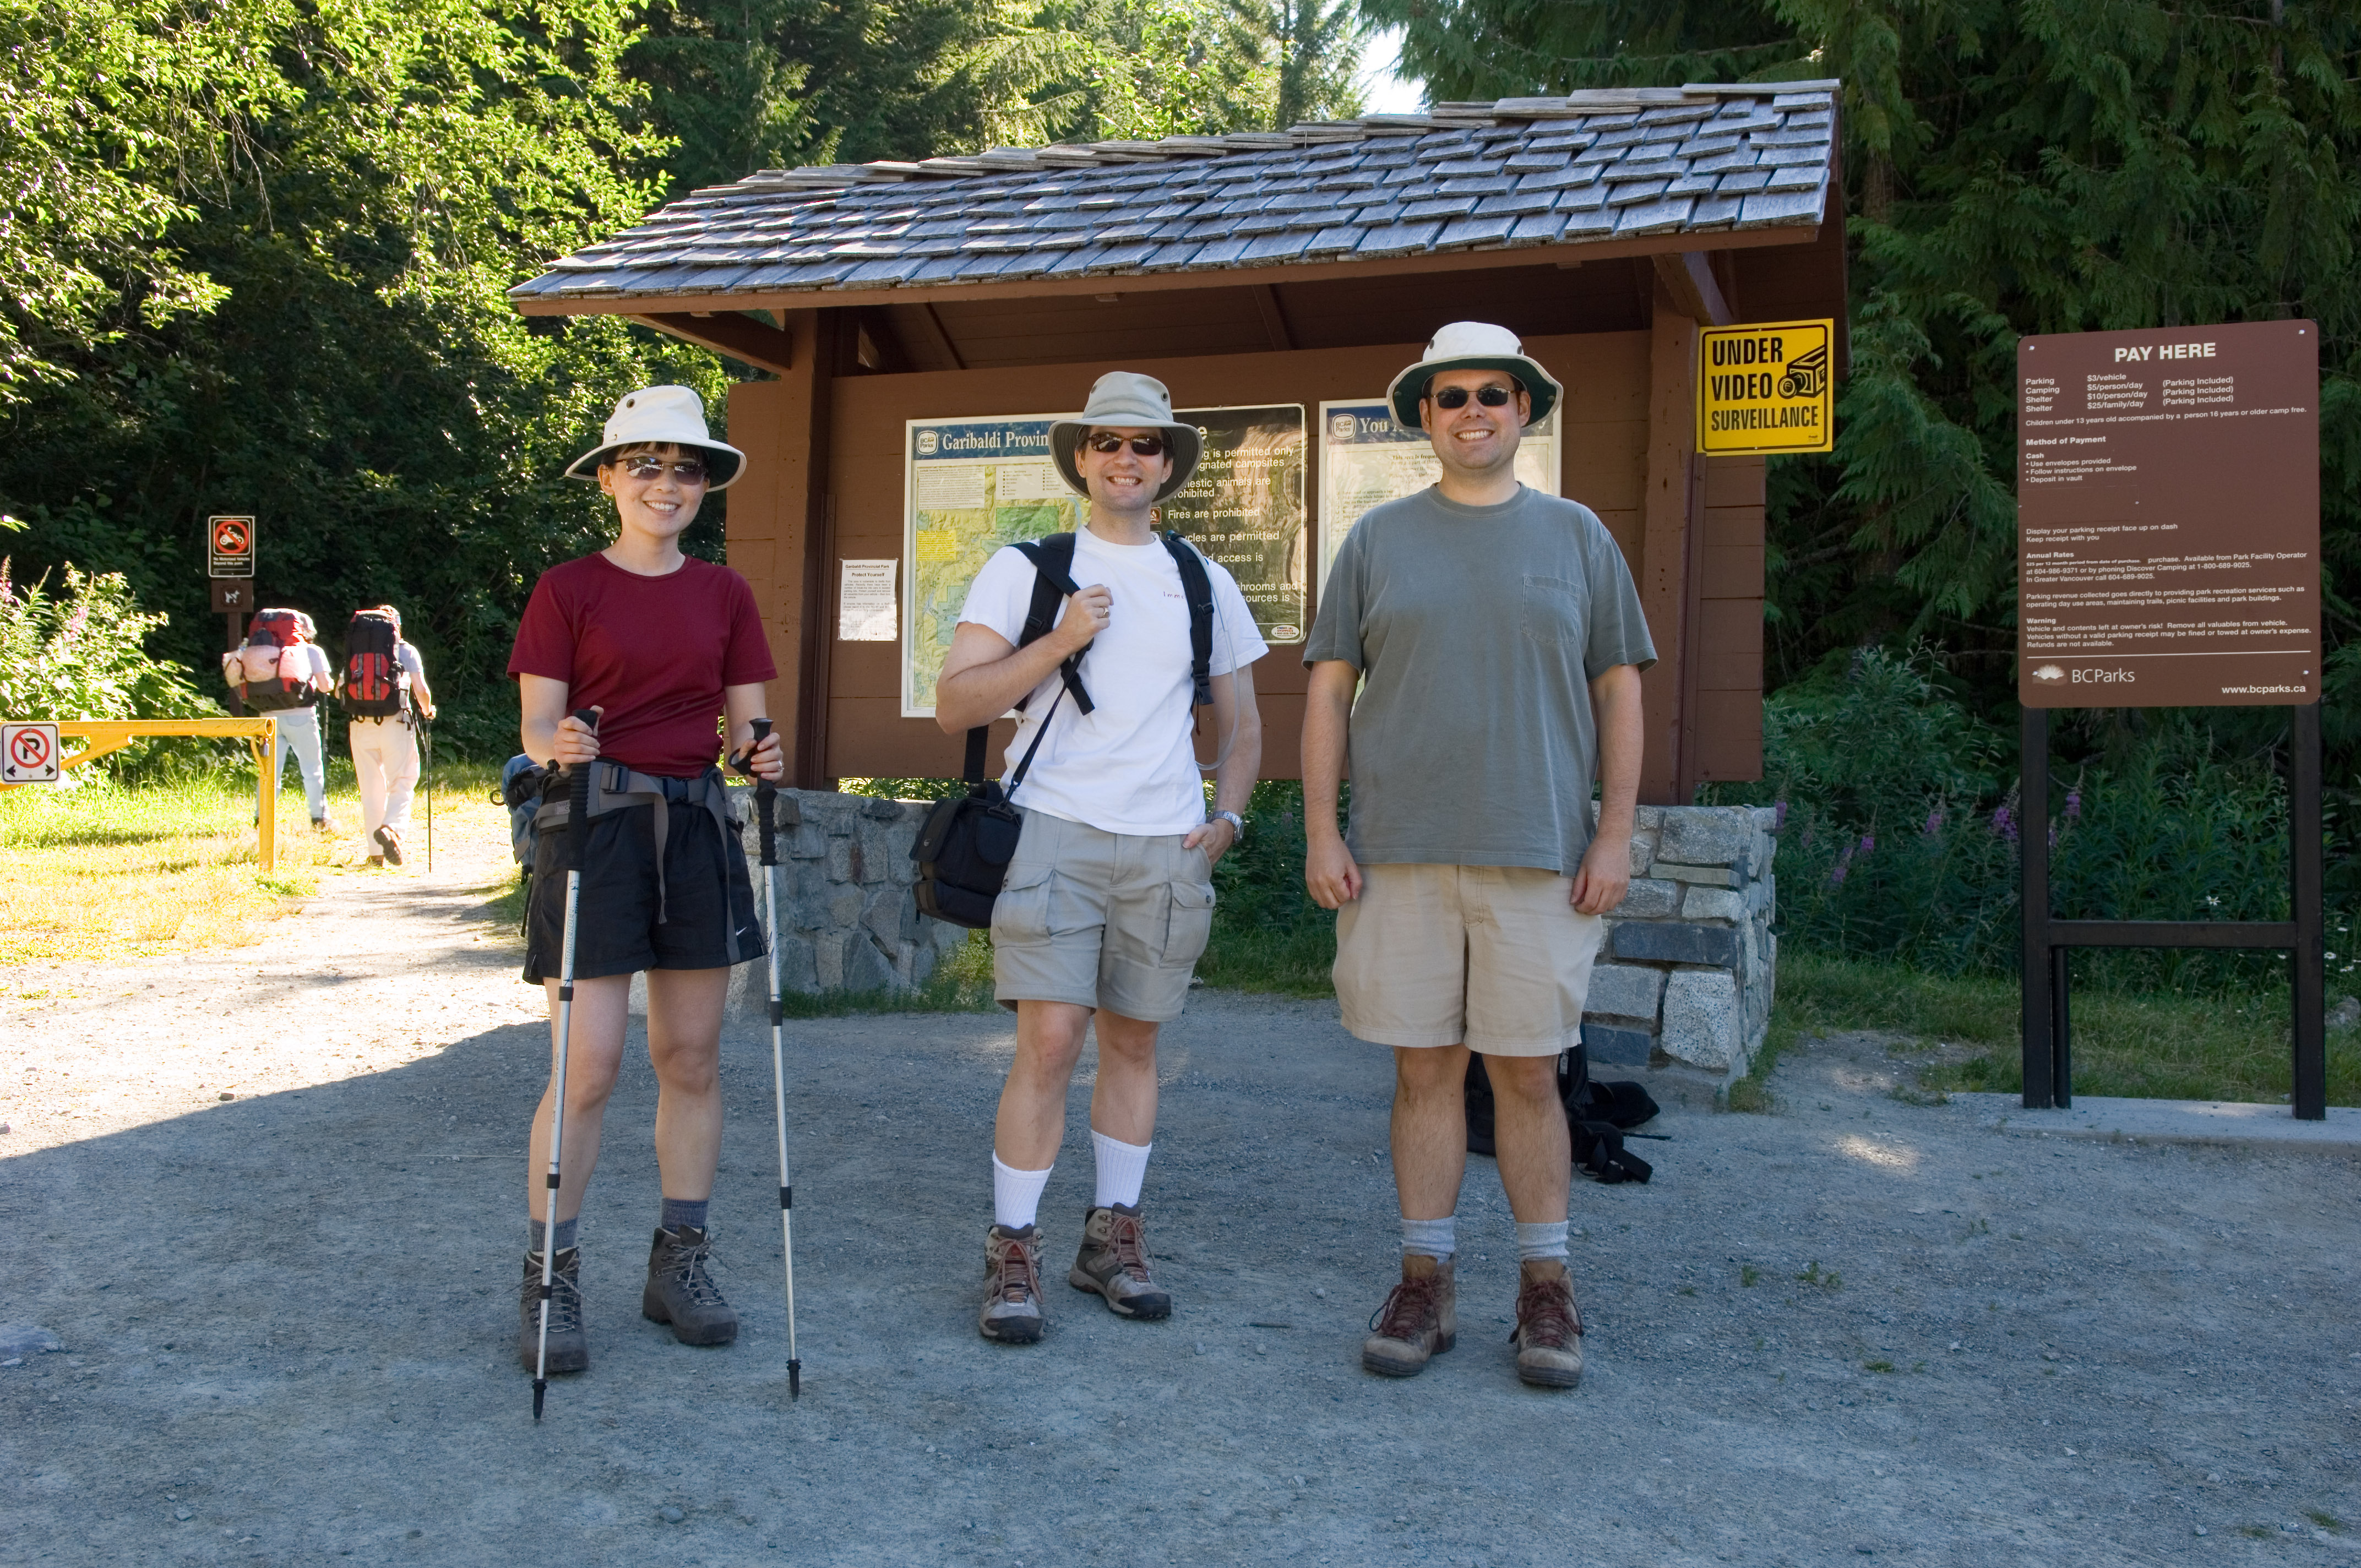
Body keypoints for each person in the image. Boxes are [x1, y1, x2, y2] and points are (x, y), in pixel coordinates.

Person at [1301, 322, 1655, 1390]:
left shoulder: (1578, 537)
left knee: (1528, 1075)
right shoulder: (1375, 540)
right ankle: (1426, 1281)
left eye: (1490, 394)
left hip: (1538, 851)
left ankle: (1546, 1289)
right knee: (1422, 1071)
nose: (1471, 412)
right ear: (1424, 413)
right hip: (1398, 852)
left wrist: (1613, 832)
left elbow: (1619, 690)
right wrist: (1320, 827)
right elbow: (1327, 689)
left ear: (1521, 408)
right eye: (1449, 396)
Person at [934, 372, 1266, 1345]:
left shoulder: (1202, 579)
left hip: (1166, 843)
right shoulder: (1027, 569)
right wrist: (1060, 640)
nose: (1127, 458)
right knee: (1048, 1041)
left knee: (1135, 1043)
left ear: (1168, 464)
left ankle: (1111, 1239)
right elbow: (956, 703)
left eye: (1146, 444)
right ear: (1081, 456)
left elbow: (1244, 723)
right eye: (1108, 441)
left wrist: (1229, 817)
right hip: (1054, 831)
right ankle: (1013, 1246)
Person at [504, 384, 782, 1376]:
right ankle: (551, 1276)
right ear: (610, 479)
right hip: (595, 829)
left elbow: (748, 724)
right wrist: (561, 742)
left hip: (695, 827)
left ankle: (680, 1262)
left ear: (705, 485)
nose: (667, 484)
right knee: (586, 1067)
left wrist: (759, 750)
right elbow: (539, 724)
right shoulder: (566, 588)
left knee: (692, 1058)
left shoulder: (725, 594)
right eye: (646, 465)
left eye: (687, 469)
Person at [222, 608, 335, 832]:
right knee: (312, 769)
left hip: (267, 716)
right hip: (300, 716)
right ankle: (319, 819)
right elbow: (324, 686)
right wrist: (330, 685)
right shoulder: (311, 650)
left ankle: (261, 819)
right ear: (304, 630)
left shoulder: (259, 650)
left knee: (269, 771)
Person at [342, 606, 437, 867]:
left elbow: (341, 687)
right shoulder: (406, 651)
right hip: (396, 722)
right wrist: (428, 711)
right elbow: (421, 691)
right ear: (396, 626)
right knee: (403, 780)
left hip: (360, 723)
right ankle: (392, 829)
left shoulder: (355, 648)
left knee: (371, 788)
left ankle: (376, 856)